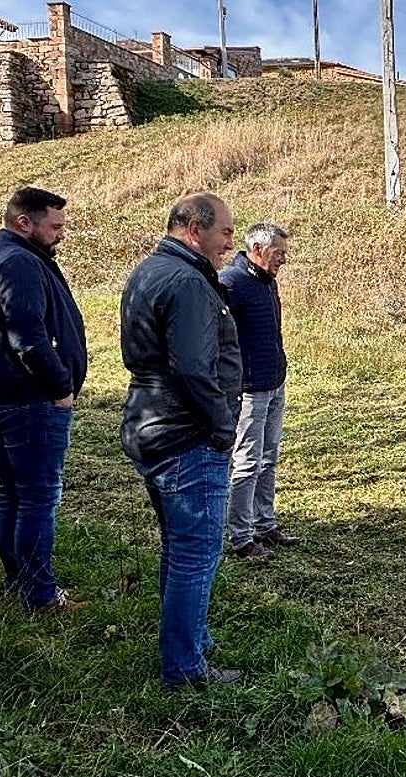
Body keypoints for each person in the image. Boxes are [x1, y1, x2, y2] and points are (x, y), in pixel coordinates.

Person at [119, 192, 244, 689]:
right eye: (225, 232)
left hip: (152, 423)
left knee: (179, 547)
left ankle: (190, 640)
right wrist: (222, 427)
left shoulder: (150, 269)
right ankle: (185, 670)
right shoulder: (188, 281)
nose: (230, 244)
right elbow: (194, 368)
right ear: (194, 229)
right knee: (196, 553)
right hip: (184, 433)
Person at [0, 187, 87, 614]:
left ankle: (19, 580)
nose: (61, 233)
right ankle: (40, 597)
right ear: (24, 222)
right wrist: (60, 387)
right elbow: (28, 337)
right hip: (29, 399)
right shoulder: (18, 261)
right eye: (55, 226)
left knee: (13, 492)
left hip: (4, 395)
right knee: (36, 498)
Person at [220, 222, 302, 558]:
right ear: (257, 249)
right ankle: (241, 537)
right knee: (247, 462)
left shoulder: (268, 282)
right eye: (278, 252)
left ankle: (265, 524)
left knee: (269, 458)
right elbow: (216, 336)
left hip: (274, 383)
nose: (284, 259)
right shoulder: (231, 283)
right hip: (249, 390)